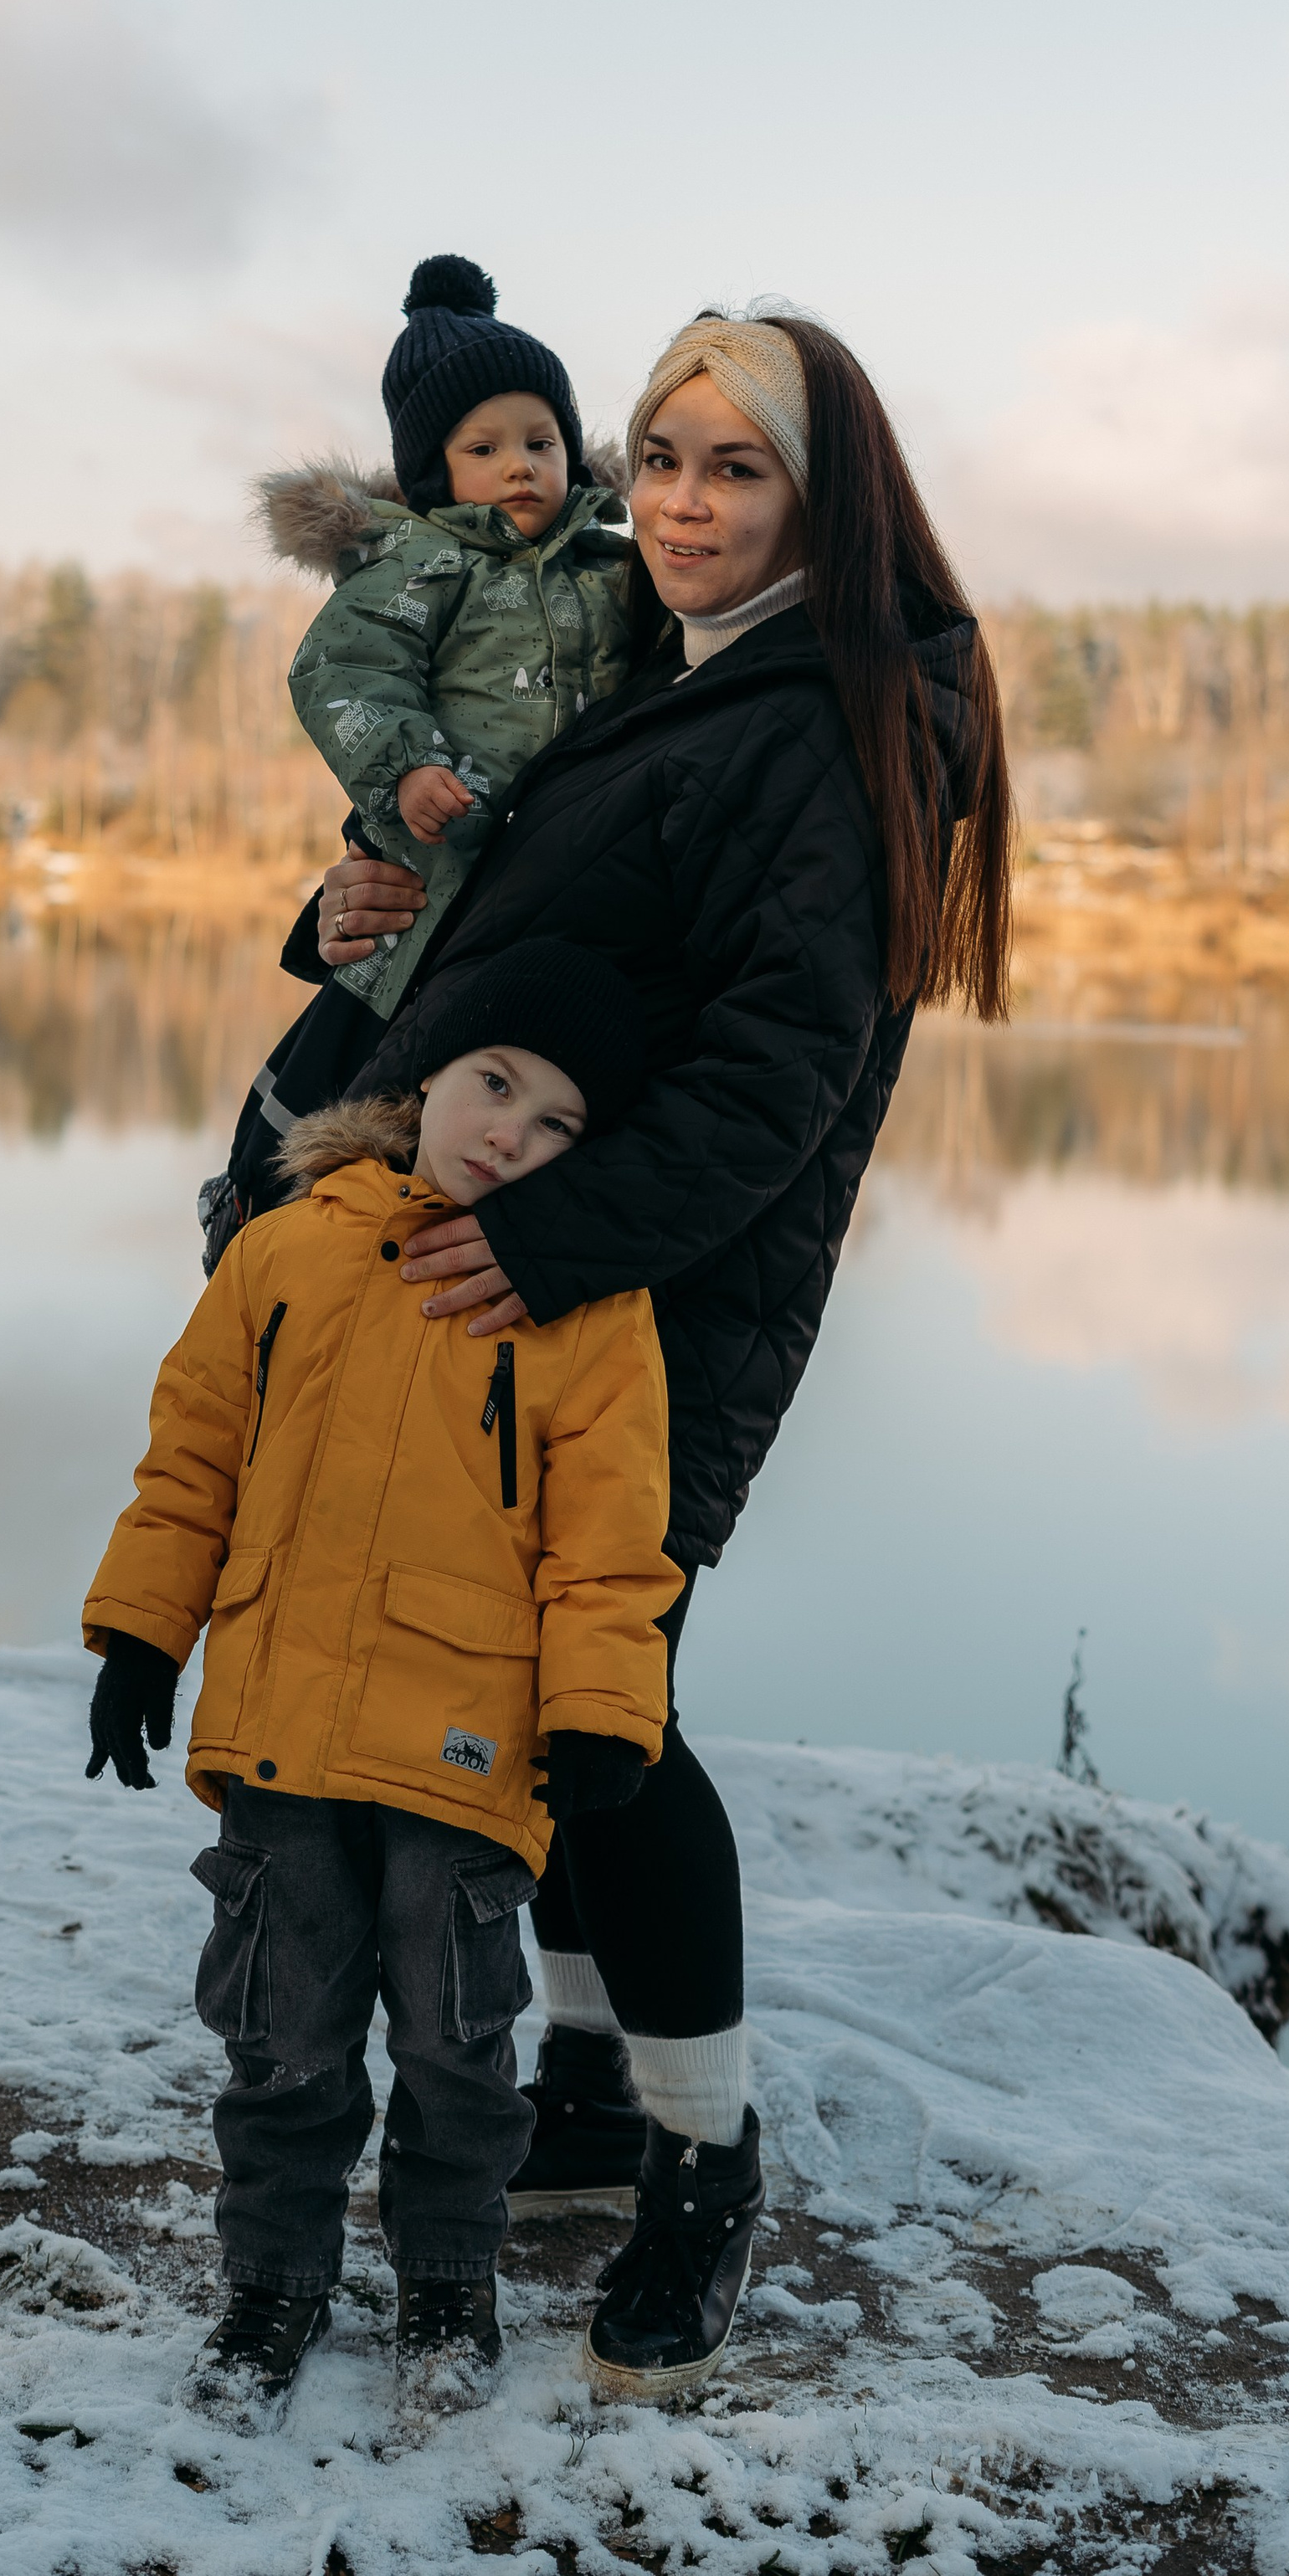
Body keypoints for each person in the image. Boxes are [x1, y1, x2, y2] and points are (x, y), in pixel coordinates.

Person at [284, 305, 1013, 2401]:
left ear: (823, 496)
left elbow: (772, 1072)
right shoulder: (695, 674)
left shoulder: (829, 721)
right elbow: (550, 932)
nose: (678, 502)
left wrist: (537, 1232)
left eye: (732, 469)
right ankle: (596, 2091)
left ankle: (704, 2157)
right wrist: (341, 921)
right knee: (549, 1690)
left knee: (602, 1717)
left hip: (651, 1295)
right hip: (562, 1274)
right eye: (661, 457)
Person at [80, 941, 686, 2402]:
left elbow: (612, 1548)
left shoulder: (588, 1312)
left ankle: (444, 2291)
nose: (512, 1136)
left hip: (468, 1756)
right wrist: (143, 1633)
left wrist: (603, 1713)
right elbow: (193, 1464)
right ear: (424, 1079)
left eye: (557, 1129)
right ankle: (271, 2289)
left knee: (460, 2052)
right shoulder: (286, 1252)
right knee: (280, 2045)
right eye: (495, 1087)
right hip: (285, 1732)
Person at [198, 258, 631, 1268]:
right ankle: (265, 1219)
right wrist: (401, 772)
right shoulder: (421, 567)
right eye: (485, 447)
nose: (521, 464)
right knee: (372, 1024)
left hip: (555, 890)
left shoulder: (613, 569)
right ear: (437, 473)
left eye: (542, 440)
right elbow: (347, 669)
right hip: (436, 847)